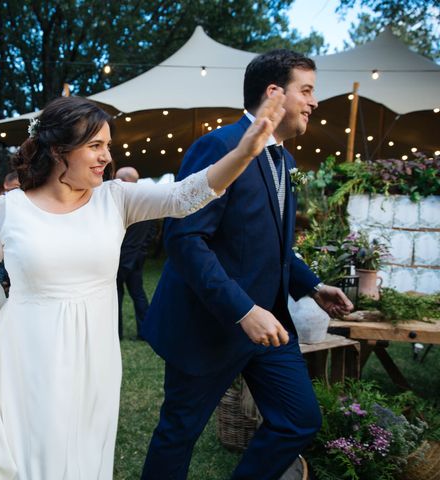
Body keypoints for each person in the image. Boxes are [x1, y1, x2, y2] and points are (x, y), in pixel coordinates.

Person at [0, 94, 286, 480]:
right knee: (32, 454)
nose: (106, 157)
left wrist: (244, 152)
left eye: (108, 146)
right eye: (95, 146)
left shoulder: (115, 199)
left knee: (86, 451)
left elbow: (185, 195)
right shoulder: (10, 208)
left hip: (95, 354)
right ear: (59, 149)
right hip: (26, 354)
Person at [140, 50, 354, 480]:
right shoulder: (218, 147)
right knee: (179, 432)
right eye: (307, 91)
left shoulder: (285, 161)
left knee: (299, 419)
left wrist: (312, 286)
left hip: (269, 326)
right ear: (274, 93)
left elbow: (270, 244)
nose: (314, 103)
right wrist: (242, 310)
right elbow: (186, 240)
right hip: (211, 325)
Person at [115, 166, 158, 340]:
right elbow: (153, 229)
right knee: (138, 295)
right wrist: (142, 248)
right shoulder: (146, 200)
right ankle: (144, 331)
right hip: (137, 257)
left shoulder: (121, 201)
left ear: (124, 181)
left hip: (120, 258)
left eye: (117, 180)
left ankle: (116, 333)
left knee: (116, 297)